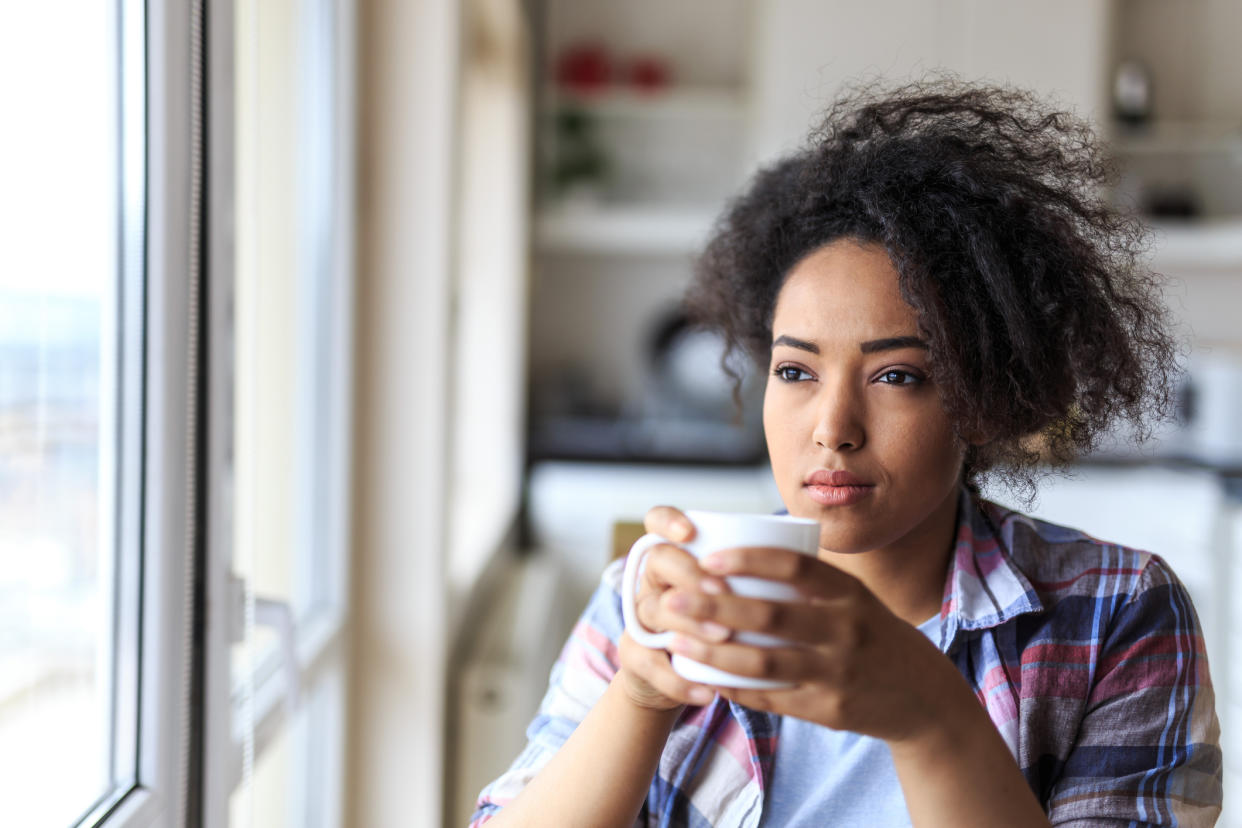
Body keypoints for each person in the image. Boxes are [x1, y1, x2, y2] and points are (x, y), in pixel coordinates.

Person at [470, 80, 1223, 827]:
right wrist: (638, 695)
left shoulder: (1116, 613)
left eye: (897, 376)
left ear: (988, 401)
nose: (832, 427)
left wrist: (931, 716)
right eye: (795, 371)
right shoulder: (650, 606)